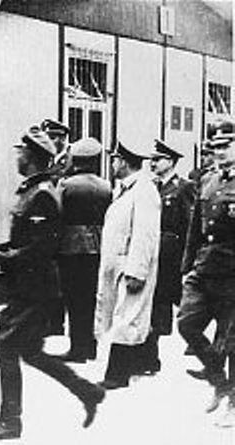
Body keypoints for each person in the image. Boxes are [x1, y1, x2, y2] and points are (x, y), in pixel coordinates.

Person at [0, 126, 105, 441]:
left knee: (4, 345)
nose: (17, 156)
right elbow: (28, 240)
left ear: (31, 155)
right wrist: (0, 251)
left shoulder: (43, 193)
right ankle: (86, 391)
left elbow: (43, 247)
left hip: (36, 287)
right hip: (28, 284)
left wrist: (5, 258)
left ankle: (10, 421)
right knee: (29, 350)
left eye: (21, 151)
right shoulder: (32, 189)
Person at [178, 118, 235, 427]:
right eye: (215, 148)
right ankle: (220, 381)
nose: (220, 153)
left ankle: (233, 403)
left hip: (232, 273)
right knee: (187, 324)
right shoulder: (208, 181)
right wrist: (186, 268)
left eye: (226, 147)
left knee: (232, 341)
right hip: (204, 267)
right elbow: (194, 230)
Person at [95, 141, 161, 390]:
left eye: (114, 159)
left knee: (128, 316)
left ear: (123, 161)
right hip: (119, 263)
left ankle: (117, 374)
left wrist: (138, 270)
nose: (112, 164)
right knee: (123, 315)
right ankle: (142, 362)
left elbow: (145, 234)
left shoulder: (144, 190)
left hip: (130, 265)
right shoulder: (125, 189)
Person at [136, 139, 194, 375]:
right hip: (151, 252)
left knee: (160, 304)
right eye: (152, 159)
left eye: (157, 159)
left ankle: (152, 357)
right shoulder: (151, 186)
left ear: (170, 162)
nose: (153, 163)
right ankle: (147, 357)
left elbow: (190, 225)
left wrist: (185, 261)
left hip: (170, 257)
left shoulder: (183, 187)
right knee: (148, 303)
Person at [55, 137, 112, 363]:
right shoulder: (106, 186)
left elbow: (57, 215)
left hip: (70, 248)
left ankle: (77, 347)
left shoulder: (65, 185)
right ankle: (90, 345)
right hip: (98, 247)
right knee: (90, 298)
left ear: (75, 160)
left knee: (73, 298)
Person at [40, 118, 71, 335]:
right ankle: (52, 321)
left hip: (66, 225)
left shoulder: (71, 160)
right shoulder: (49, 162)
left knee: (61, 275)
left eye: (53, 137)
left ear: (61, 138)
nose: (50, 141)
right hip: (49, 225)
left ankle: (57, 322)